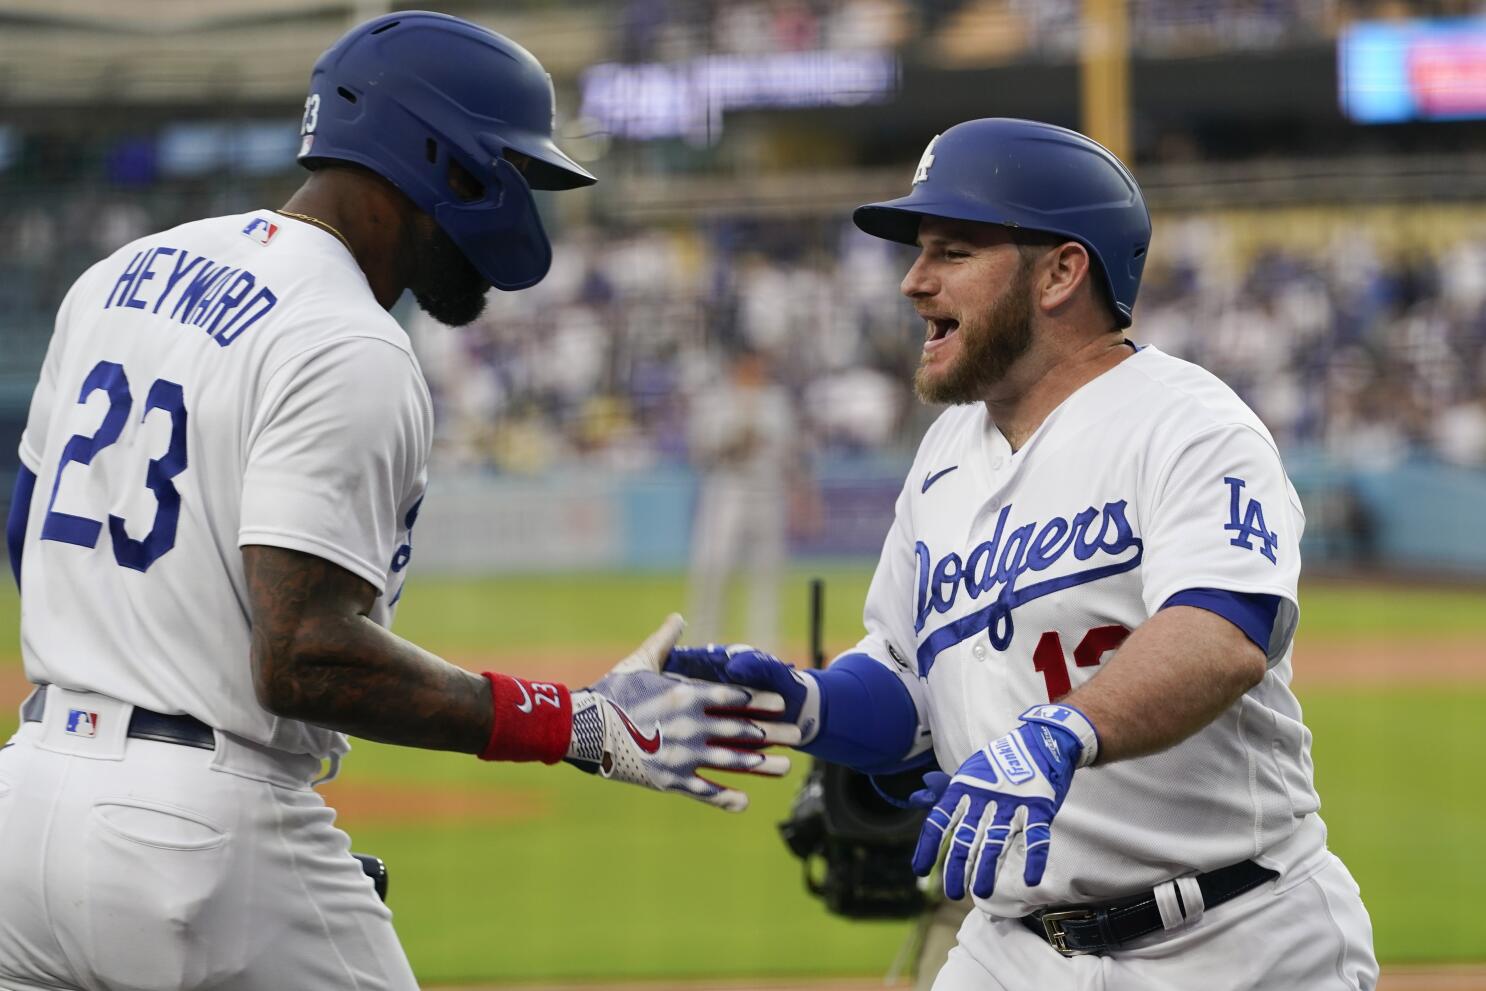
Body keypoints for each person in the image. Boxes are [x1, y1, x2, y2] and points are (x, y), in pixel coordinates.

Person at [0, 13, 794, 991]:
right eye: (511, 171)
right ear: (443, 161)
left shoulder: (121, 273)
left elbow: (26, 534)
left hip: (26, 805)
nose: (519, 206)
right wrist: (580, 723)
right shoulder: (348, 337)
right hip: (199, 837)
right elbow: (303, 657)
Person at [667, 118, 1378, 990]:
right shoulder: (941, 458)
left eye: (952, 250)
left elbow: (1224, 627)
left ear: (1061, 272)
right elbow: (905, 683)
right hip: (1012, 948)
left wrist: (1064, 730)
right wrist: (806, 703)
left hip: (1235, 934)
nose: (913, 281)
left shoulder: (1188, 423)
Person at [686, 347, 804, 646]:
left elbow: (789, 451)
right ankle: (702, 647)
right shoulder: (717, 401)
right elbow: (701, 450)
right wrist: (736, 438)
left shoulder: (776, 402)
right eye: (747, 363)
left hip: (767, 490)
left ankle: (766, 652)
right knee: (713, 573)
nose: (753, 369)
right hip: (728, 489)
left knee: (767, 579)